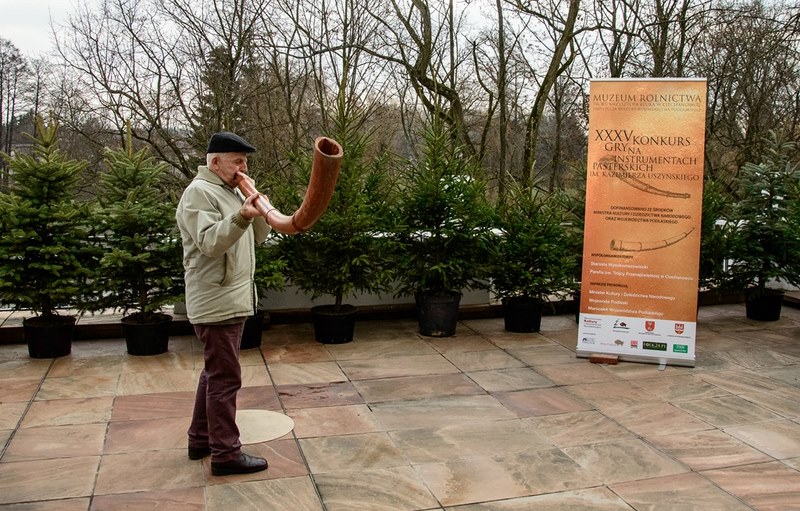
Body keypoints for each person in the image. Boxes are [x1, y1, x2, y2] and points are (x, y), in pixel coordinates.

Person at [175, 131, 270, 476]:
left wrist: (257, 209)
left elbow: (258, 238)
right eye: (237, 162)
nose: (244, 168)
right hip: (216, 301)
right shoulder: (198, 193)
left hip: (231, 298)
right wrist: (241, 215)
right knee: (225, 378)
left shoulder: (230, 191)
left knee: (214, 373)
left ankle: (200, 439)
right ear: (215, 162)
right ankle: (226, 454)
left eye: (245, 162)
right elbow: (210, 243)